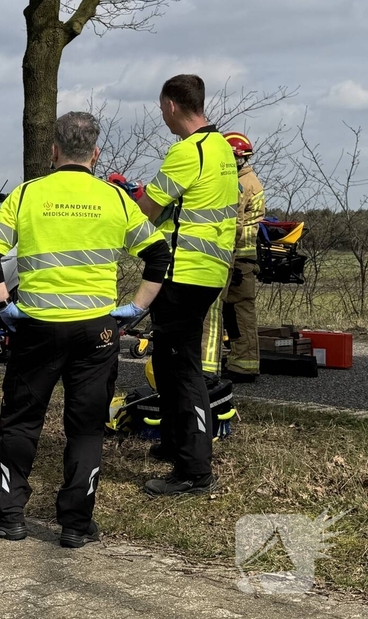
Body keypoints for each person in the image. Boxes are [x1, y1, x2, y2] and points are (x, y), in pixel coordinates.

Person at [0, 111, 170, 548]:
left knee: (21, 422)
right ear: (96, 154)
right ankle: (76, 525)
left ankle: (8, 515)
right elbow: (159, 256)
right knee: (86, 428)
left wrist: (5, 306)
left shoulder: (27, 195)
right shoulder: (115, 198)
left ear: (53, 151)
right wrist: (134, 309)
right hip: (97, 331)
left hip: (38, 327)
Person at [136, 74, 238, 496]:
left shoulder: (187, 152)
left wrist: (125, 199)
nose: (162, 115)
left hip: (184, 272)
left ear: (173, 105)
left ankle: (194, 469)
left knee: (181, 369)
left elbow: (148, 209)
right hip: (210, 272)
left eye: (161, 108)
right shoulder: (221, 149)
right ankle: (176, 444)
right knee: (169, 359)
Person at [220, 132, 265, 383]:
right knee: (240, 312)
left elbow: (232, 220)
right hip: (244, 259)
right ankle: (243, 362)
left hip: (237, 258)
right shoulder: (251, 181)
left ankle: (243, 365)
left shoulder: (239, 185)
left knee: (236, 313)